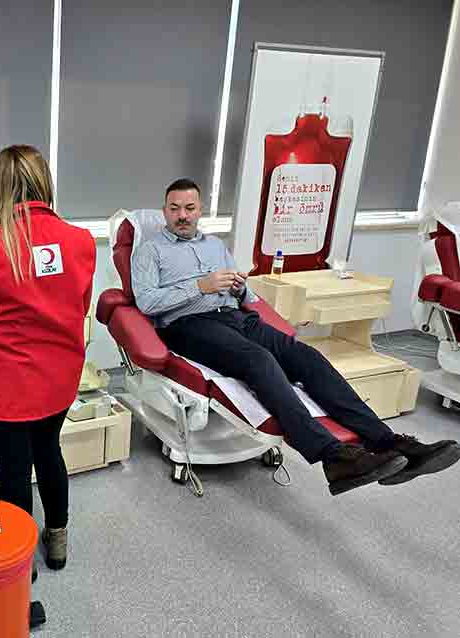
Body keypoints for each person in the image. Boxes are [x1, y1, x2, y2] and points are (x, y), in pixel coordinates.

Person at [132, 178, 460, 496]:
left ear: (200, 210)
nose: (182, 215)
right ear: (165, 211)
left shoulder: (215, 246)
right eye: (174, 208)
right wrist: (199, 286)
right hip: (188, 325)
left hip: (235, 316)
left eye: (189, 208)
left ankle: (388, 442)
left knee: (307, 357)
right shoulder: (151, 250)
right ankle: (333, 456)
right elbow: (146, 302)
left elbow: (248, 298)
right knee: (258, 360)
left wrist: (240, 288)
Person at [0, 145, 96, 572]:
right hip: (58, 378)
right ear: (43, 183)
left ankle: (18, 561)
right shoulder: (81, 241)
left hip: (5, 385)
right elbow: (80, 305)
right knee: (49, 451)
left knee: (14, 471)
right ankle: (57, 539)